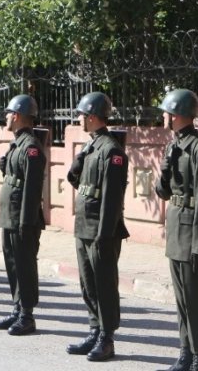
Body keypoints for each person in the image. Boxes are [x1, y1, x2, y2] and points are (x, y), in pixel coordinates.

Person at [155, 89, 198, 371]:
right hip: (177, 231)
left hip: (194, 235)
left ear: (177, 114)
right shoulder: (175, 146)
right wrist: (165, 169)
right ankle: (186, 351)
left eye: (166, 112)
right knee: (182, 298)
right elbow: (163, 192)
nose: (163, 117)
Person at [65, 92, 129, 362]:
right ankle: (94, 328)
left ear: (92, 117)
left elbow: (112, 200)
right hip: (84, 226)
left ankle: (107, 337)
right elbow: (77, 180)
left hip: (101, 231)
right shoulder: (91, 147)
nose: (78, 118)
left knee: (104, 285)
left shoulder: (111, 151)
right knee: (88, 283)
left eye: (81, 114)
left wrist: (104, 234)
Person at [0, 95, 47, 336]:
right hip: (10, 216)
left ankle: (27, 315)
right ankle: (17, 309)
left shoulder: (31, 148)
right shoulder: (18, 143)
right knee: (13, 264)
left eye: (8, 113)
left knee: (24, 266)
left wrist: (26, 222)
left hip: (22, 219)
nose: (5, 117)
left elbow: (32, 191)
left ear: (16, 115)